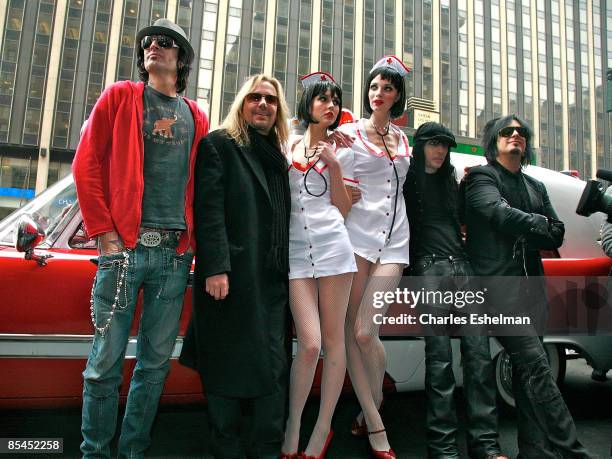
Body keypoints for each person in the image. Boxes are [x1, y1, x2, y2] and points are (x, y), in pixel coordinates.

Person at [73, 18, 209, 458]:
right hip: (123, 253)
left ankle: (133, 451)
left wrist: (195, 248)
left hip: (173, 256)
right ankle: (95, 452)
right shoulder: (121, 97)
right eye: (148, 41)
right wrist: (106, 234)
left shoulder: (197, 116)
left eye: (165, 42)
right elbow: (86, 164)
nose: (153, 46)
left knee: (153, 368)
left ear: (181, 57)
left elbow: (204, 186)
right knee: (103, 367)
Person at [465, 114, 592, 458]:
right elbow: (497, 214)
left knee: (527, 375)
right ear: (494, 140)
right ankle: (573, 451)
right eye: (507, 131)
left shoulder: (535, 186)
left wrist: (526, 224)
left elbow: (558, 231)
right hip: (496, 289)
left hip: (533, 289)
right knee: (537, 367)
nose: (516, 136)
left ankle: (536, 452)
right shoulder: (481, 177)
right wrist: (536, 225)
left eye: (521, 132)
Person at [179, 74, 291, 458]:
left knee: (274, 370)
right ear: (242, 104)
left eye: (271, 100)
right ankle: (227, 450)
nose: (263, 104)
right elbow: (208, 209)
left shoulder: (279, 156)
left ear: (278, 111)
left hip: (273, 280)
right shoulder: (219, 144)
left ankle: (266, 450)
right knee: (226, 371)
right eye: (255, 98)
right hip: (230, 278)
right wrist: (215, 268)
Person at [404, 122, 507, 459]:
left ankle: (486, 446)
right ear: (420, 146)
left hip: (462, 267)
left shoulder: (454, 182)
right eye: (433, 144)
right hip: (428, 267)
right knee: (440, 361)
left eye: (445, 145)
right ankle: (443, 448)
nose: (440, 150)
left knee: (479, 358)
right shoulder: (407, 179)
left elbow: (466, 220)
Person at [280, 72, 355, 459]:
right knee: (309, 344)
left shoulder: (344, 149)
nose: (330, 105)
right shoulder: (287, 145)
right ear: (308, 104)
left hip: (334, 251)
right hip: (295, 254)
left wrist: (336, 166)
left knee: (334, 341)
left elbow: (344, 209)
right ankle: (293, 423)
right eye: (322, 98)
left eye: (335, 100)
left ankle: (322, 428)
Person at [340, 56, 411, 459]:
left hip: (395, 242)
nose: (378, 93)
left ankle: (374, 406)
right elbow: (314, 161)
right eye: (373, 87)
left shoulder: (404, 141)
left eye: (386, 87)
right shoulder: (348, 135)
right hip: (355, 240)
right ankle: (374, 420)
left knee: (367, 331)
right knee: (355, 331)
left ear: (397, 95)